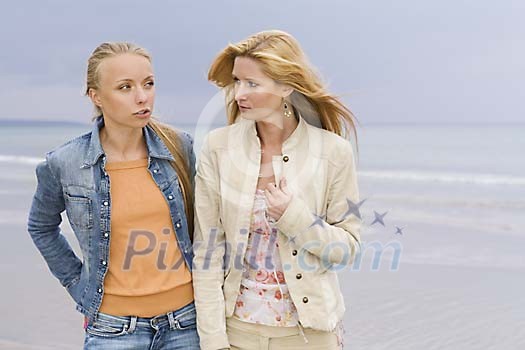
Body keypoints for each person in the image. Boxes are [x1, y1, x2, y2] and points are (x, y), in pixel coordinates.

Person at [192, 30, 361, 350]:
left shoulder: (333, 152)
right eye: (237, 81)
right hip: (238, 332)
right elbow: (207, 252)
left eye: (252, 84)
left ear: (286, 86)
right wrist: (213, 341)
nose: (239, 93)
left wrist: (294, 218)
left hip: (309, 336)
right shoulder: (218, 148)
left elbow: (347, 248)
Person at [27, 42, 199, 349]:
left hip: (185, 323)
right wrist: (77, 283)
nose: (142, 96)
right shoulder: (65, 163)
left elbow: (204, 223)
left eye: (148, 84)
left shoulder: (180, 147)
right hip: (112, 329)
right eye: (125, 87)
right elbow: (41, 227)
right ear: (96, 97)